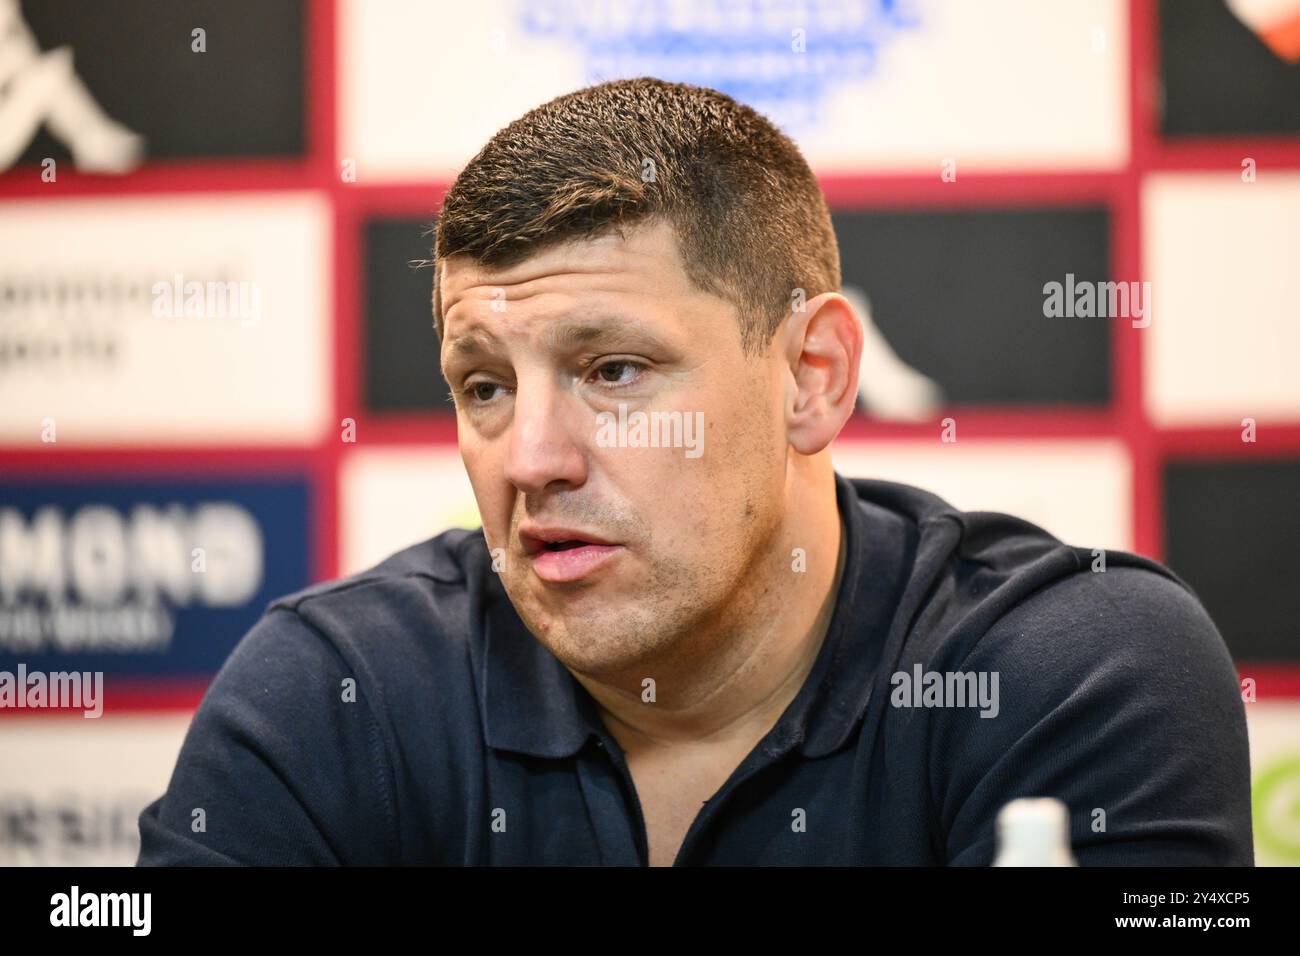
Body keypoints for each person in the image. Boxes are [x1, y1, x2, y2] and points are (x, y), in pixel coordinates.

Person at [136, 77, 1253, 866]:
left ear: (809, 377)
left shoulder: (1071, 667)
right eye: (483, 385)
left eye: (614, 369)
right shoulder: (338, 695)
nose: (528, 459)